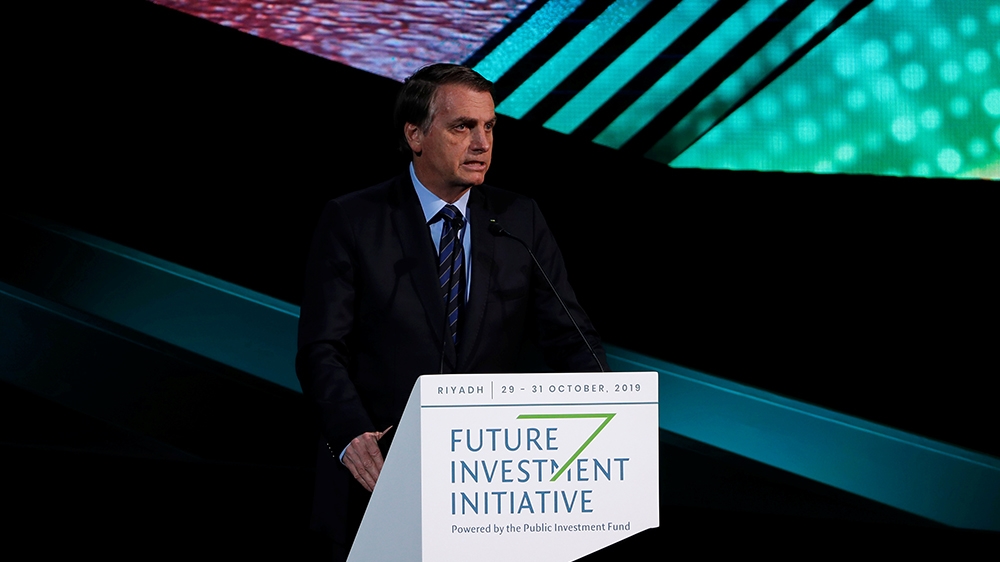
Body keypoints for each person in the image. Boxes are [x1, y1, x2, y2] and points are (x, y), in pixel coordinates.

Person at [295, 63, 608, 559]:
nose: (482, 143)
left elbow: (571, 337)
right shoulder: (355, 220)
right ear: (415, 135)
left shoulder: (517, 219)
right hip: (379, 481)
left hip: (487, 490)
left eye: (489, 127)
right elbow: (320, 348)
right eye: (463, 127)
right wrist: (351, 434)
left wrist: (604, 409)